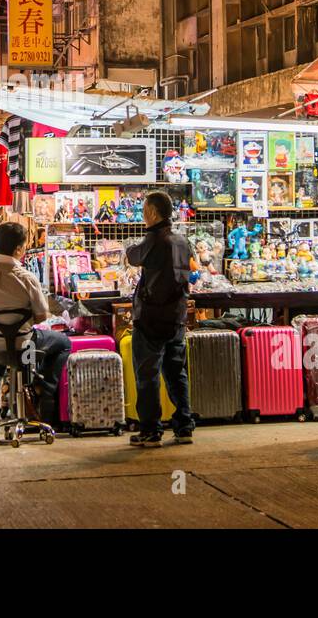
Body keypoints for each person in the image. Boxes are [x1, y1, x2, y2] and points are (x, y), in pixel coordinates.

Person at [0, 221, 70, 439]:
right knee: (62, 342)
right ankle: (43, 391)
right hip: (25, 348)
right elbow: (41, 316)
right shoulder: (27, 278)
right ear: (18, 249)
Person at [125, 191, 195, 448]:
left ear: (153, 213)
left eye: (144, 209)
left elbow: (133, 256)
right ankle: (184, 426)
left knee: (148, 374)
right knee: (177, 373)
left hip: (151, 318)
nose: (143, 214)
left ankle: (151, 430)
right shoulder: (181, 241)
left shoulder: (154, 239)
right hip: (176, 317)